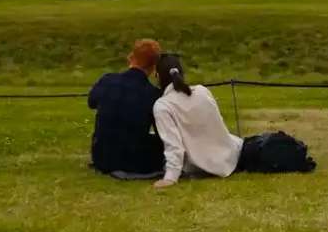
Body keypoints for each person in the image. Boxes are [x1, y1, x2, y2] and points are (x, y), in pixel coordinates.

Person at [152, 53, 315, 189]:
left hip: (212, 164)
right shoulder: (201, 91)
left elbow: (174, 145)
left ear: (158, 76)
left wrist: (170, 178)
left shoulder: (163, 105)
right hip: (233, 152)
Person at [88, 39, 165, 178]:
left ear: (131, 57)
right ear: (154, 66)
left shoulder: (107, 80)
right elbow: (161, 131)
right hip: (134, 160)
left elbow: (92, 102)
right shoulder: (153, 94)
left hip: (102, 156)